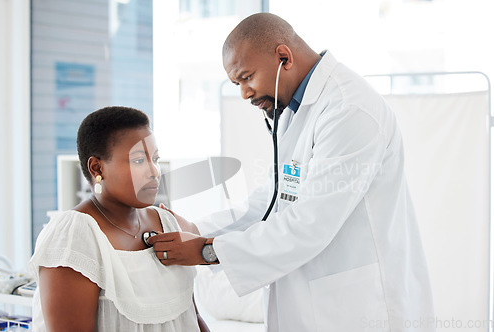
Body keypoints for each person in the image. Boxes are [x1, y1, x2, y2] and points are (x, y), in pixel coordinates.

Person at [148, 13, 435, 331]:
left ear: (283, 57)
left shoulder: (349, 109)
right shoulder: (291, 109)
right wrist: (198, 229)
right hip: (318, 303)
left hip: (362, 306)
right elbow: (275, 199)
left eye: (246, 77)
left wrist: (207, 251)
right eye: (237, 84)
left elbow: (311, 222)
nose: (244, 93)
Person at [29, 106, 209, 332]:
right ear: (97, 167)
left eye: (156, 158)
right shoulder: (75, 235)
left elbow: (193, 318)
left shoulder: (168, 223)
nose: (154, 171)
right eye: (138, 161)